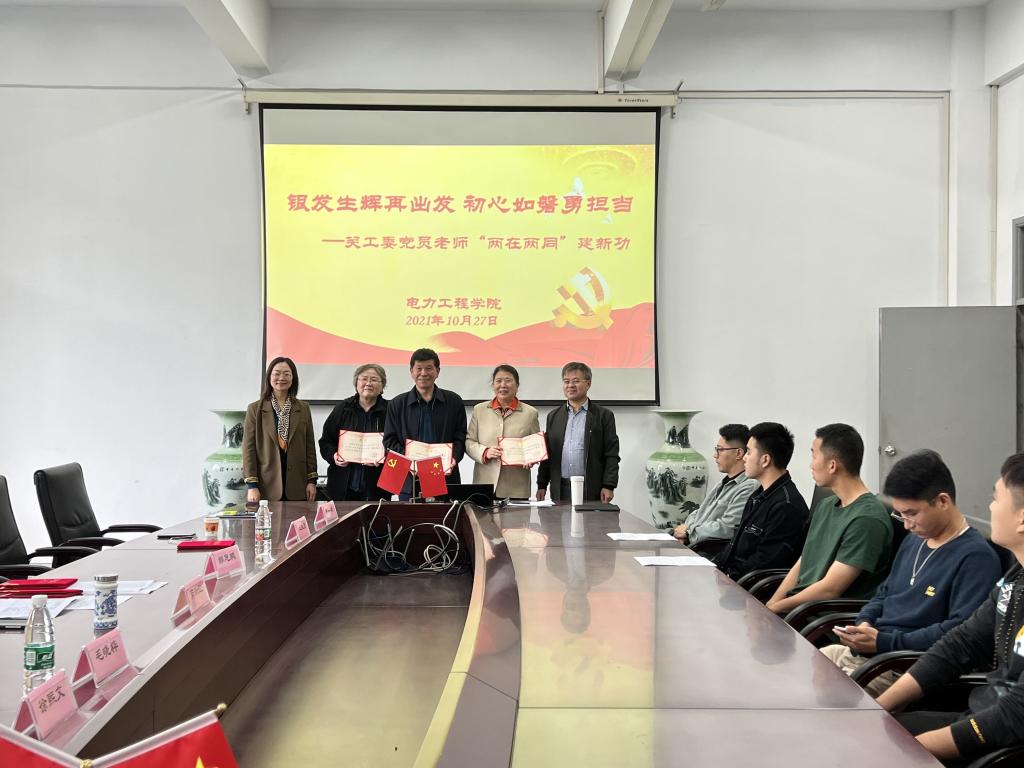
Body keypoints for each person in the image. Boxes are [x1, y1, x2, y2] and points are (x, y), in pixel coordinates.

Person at [877, 453, 1024, 764]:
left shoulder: (978, 556)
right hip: (982, 715)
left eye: (996, 498)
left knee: (879, 747)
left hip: (1003, 742)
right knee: (876, 729)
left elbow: (1015, 715)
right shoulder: (1015, 577)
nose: (990, 507)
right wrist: (877, 707)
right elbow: (961, 643)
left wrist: (911, 750)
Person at [820, 450, 1002, 696]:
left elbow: (958, 633)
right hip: (871, 653)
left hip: (903, 667)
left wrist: (883, 642)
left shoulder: (976, 558)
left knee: (826, 700)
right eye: (901, 514)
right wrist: (864, 622)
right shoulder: (914, 540)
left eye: (912, 513)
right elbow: (884, 593)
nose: (906, 524)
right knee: (798, 673)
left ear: (942, 501)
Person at [766, 423, 893, 615]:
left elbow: (830, 589)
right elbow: (804, 561)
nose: (810, 464)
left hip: (821, 617)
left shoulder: (867, 519)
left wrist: (776, 609)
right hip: (797, 610)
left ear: (832, 465)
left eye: (813, 456)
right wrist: (771, 604)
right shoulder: (826, 505)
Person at [713, 422, 810, 581]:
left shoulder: (786, 506)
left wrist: (727, 577)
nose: (744, 458)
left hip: (748, 587)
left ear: (765, 460)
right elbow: (736, 546)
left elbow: (765, 563)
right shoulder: (758, 495)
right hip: (731, 578)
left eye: (749, 452)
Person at [383, 348, 467, 497]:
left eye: (429, 368)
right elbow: (389, 440)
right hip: (409, 475)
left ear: (437, 371)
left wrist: (454, 457)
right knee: (409, 511)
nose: (423, 373)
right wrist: (408, 460)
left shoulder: (454, 401)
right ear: (411, 372)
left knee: (446, 511)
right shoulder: (397, 404)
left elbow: (460, 435)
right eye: (419, 368)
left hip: (444, 474)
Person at [536, 362, 620, 503]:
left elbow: (611, 454)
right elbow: (547, 455)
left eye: (576, 381)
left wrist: (608, 485)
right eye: (566, 381)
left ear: (588, 383)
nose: (570, 385)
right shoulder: (554, 416)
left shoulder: (604, 416)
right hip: (560, 488)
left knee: (590, 519)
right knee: (558, 519)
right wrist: (542, 485)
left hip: (591, 488)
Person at [243, 357, 318, 503]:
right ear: (269, 377)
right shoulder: (255, 409)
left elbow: (309, 447)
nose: (281, 378)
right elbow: (248, 449)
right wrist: (252, 485)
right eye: (277, 373)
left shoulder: (303, 408)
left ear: (293, 378)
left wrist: (312, 481)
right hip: (266, 484)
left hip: (297, 483)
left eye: (287, 374)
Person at [673, 423, 759, 546]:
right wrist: (685, 532)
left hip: (708, 550)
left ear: (739, 453)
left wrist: (688, 533)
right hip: (693, 543)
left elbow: (727, 528)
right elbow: (697, 513)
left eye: (720, 450)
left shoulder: (749, 486)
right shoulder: (723, 483)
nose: (715, 455)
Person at [465, 364, 541, 499]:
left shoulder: (530, 413)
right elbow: (469, 441)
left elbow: (536, 446)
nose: (503, 385)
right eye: (498, 381)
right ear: (493, 385)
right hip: (484, 484)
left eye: (508, 380)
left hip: (516, 487)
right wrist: (485, 452)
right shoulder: (479, 410)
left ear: (517, 385)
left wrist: (532, 458)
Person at [318, 364, 390, 502]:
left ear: (382, 386)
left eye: (374, 379)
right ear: (356, 383)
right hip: (342, 485)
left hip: (377, 485)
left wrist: (384, 457)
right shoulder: (342, 409)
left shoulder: (390, 411)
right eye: (364, 379)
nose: (368, 383)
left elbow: (397, 445)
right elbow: (326, 442)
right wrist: (334, 456)